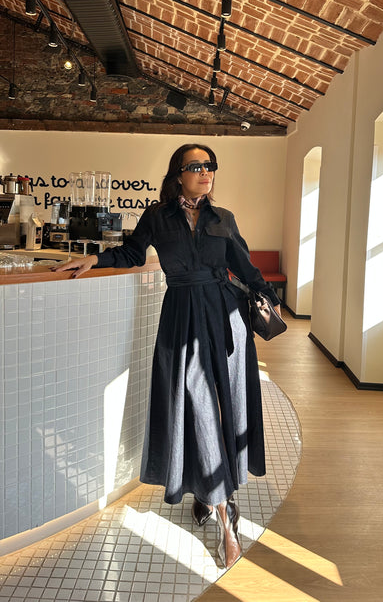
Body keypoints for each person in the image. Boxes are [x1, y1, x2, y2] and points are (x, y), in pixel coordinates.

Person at [53, 144, 281, 568]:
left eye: (210, 166)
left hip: (225, 318)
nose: (206, 172)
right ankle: (223, 510)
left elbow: (246, 268)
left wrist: (269, 299)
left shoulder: (223, 217)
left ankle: (212, 496)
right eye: (197, 166)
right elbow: (132, 253)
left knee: (225, 407)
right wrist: (94, 258)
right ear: (179, 174)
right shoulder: (157, 216)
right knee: (196, 407)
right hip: (181, 317)